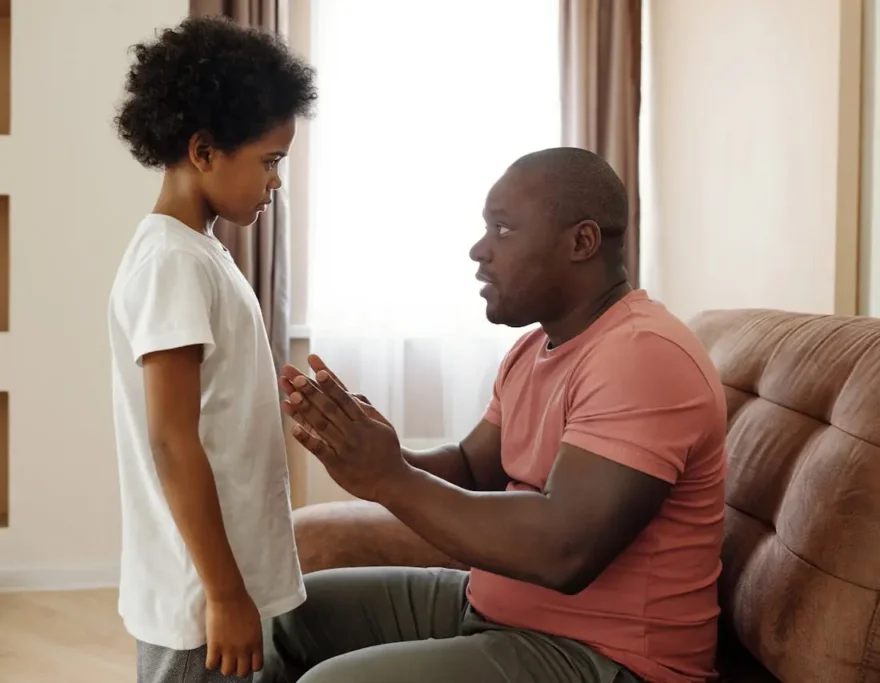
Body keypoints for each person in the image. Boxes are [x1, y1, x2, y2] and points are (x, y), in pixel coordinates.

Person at [263, 147, 728, 683]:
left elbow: (565, 552)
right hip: (495, 609)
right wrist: (384, 452)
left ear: (582, 241)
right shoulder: (534, 349)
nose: (478, 250)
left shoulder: (642, 355)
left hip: (608, 657)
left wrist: (389, 479)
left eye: (503, 230)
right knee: (287, 615)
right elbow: (470, 466)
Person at [107, 16, 317, 682]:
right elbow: (172, 440)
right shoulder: (172, 261)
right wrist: (225, 595)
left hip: (226, 577)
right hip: (201, 593)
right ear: (202, 150)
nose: (277, 181)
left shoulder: (198, 252)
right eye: (270, 161)